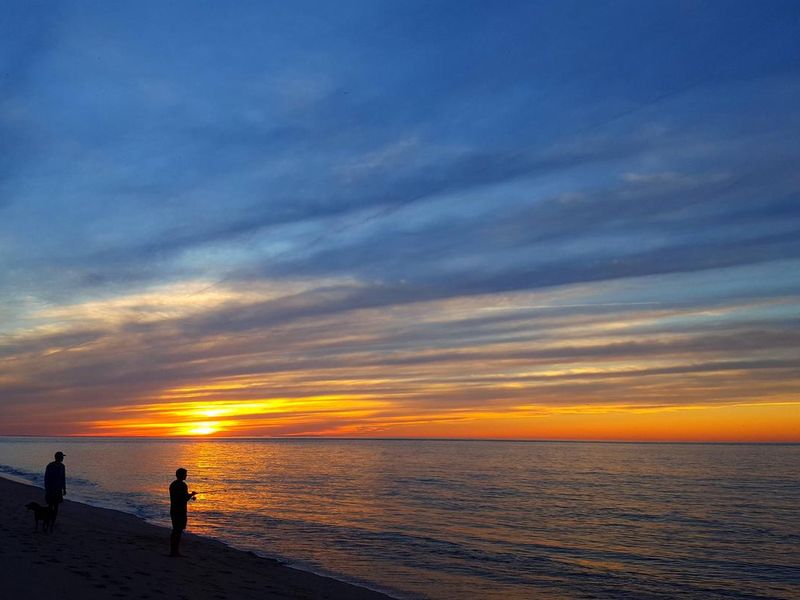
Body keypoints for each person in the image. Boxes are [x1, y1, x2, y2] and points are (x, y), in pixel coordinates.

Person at [169, 467, 196, 557]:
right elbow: (184, 499)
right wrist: (191, 495)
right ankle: (175, 552)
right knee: (178, 531)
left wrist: (190, 495)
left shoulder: (173, 484)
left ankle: (173, 551)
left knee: (175, 530)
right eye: (185, 474)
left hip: (173, 509)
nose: (186, 476)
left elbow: (179, 497)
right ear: (181, 475)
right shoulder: (183, 485)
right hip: (180, 511)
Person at [44, 451, 67, 526]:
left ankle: (53, 521)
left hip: (58, 490)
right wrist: (47, 489)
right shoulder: (50, 466)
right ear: (58, 458)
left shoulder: (62, 466)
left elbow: (63, 478)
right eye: (62, 457)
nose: (63, 458)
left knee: (56, 506)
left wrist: (64, 489)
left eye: (63, 457)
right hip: (51, 489)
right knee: (50, 506)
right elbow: (46, 478)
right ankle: (49, 520)